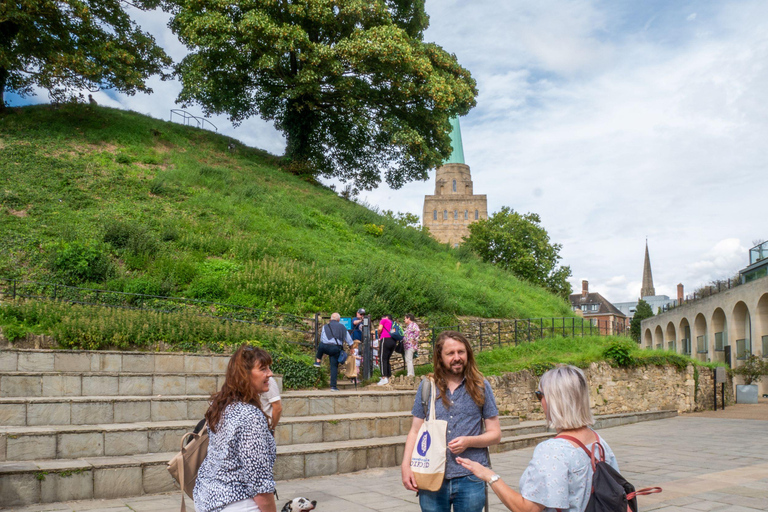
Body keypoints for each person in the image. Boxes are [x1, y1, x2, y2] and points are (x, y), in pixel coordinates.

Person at [456, 365, 619, 512]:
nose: (540, 401)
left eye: (539, 395)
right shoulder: (597, 440)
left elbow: (527, 509)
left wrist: (489, 476)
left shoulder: (553, 451)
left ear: (555, 400)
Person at [401, 331, 502, 512]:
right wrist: (405, 466)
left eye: (461, 352)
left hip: (471, 475)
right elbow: (415, 430)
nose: (457, 357)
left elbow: (495, 434)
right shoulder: (427, 387)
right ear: (440, 357)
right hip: (432, 475)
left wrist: (469, 441)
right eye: (450, 353)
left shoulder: (481, 386)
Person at [194, 345, 277, 512]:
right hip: (237, 504)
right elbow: (260, 483)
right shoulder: (250, 416)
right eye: (263, 369)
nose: (270, 373)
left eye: (269, 368)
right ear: (244, 375)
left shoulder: (221, 405)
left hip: (207, 499)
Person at [313, 312, 352, 391]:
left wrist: (325, 345)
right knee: (333, 367)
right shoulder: (343, 327)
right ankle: (333, 387)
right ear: (338, 320)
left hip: (325, 347)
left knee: (321, 345)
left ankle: (318, 361)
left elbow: (322, 338)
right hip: (335, 349)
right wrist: (351, 347)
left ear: (330, 319)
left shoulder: (325, 326)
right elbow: (349, 340)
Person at [377, 314, 395, 386]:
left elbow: (379, 329)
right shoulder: (393, 323)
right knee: (387, 359)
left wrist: (379, 334)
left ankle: (384, 377)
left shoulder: (384, 320)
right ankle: (388, 375)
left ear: (386, 317)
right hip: (393, 341)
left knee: (382, 358)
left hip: (385, 339)